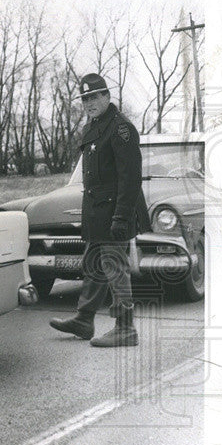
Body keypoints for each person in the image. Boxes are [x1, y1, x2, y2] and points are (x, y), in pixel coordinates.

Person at [50, 73, 150, 347]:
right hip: (97, 212)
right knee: (93, 266)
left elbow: (130, 179)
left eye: (94, 97)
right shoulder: (94, 127)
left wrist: (121, 217)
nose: (89, 103)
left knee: (115, 268)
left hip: (115, 212)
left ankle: (125, 328)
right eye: (85, 99)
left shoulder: (121, 129)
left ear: (107, 96)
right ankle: (84, 320)